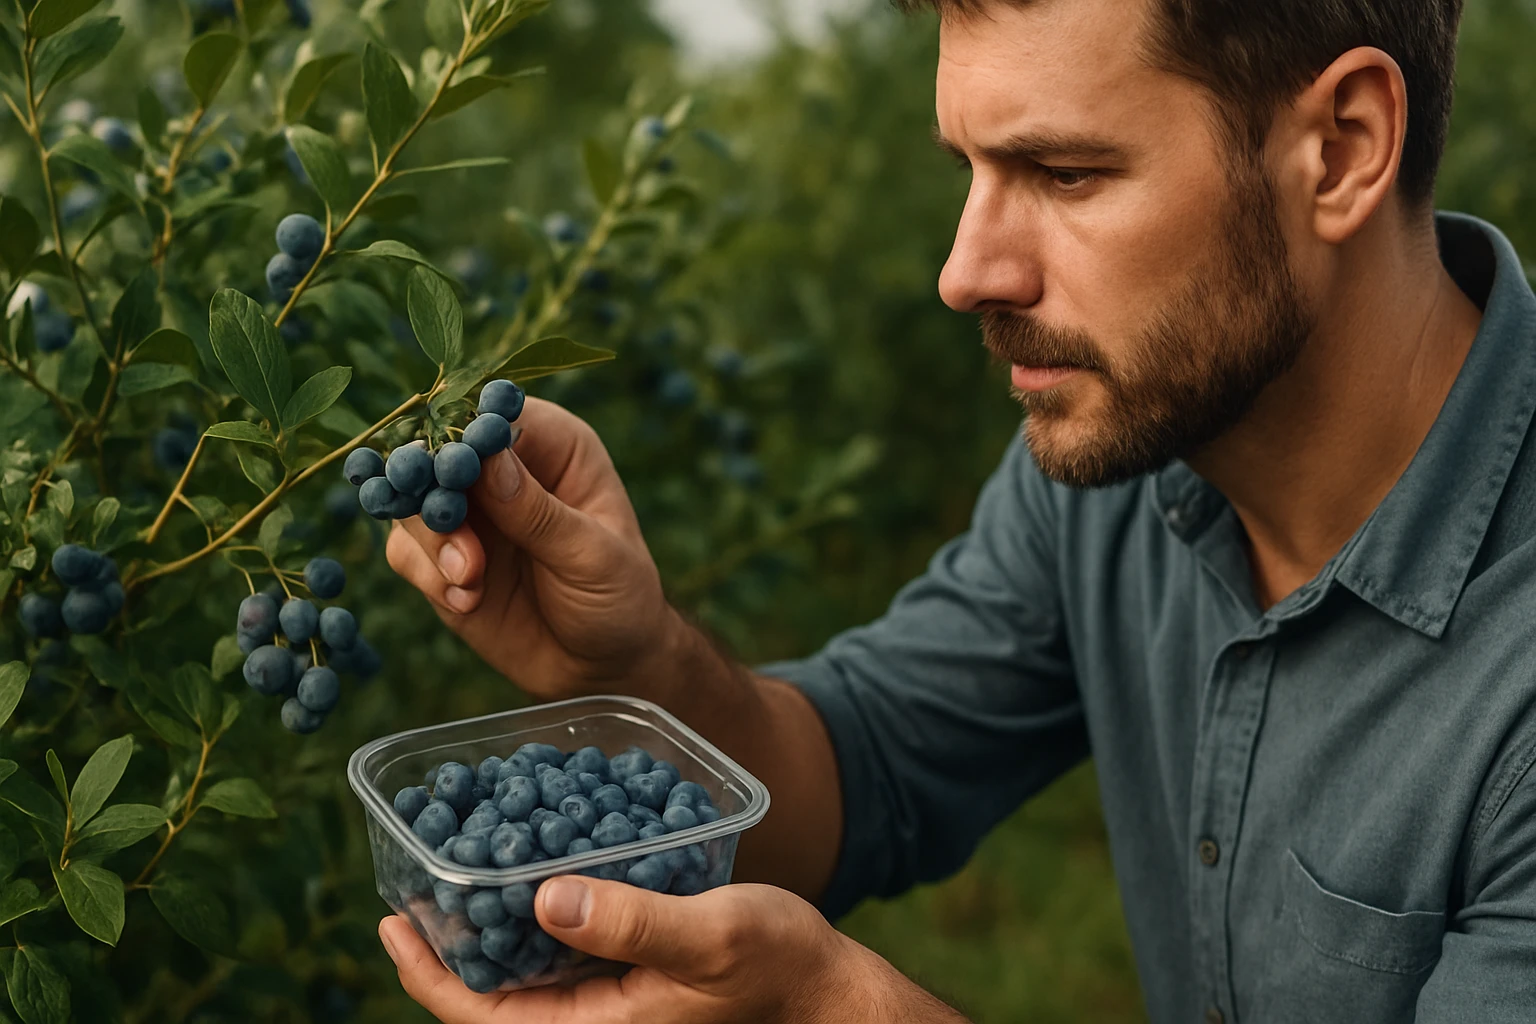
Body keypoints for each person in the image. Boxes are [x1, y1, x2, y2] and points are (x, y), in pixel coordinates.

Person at [376, 0, 1536, 1019]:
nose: (966, 271)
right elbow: (864, 768)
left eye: (1066, 174)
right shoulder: (1129, 461)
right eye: (969, 171)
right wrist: (639, 656)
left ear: (1341, 148)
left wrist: (832, 1011)